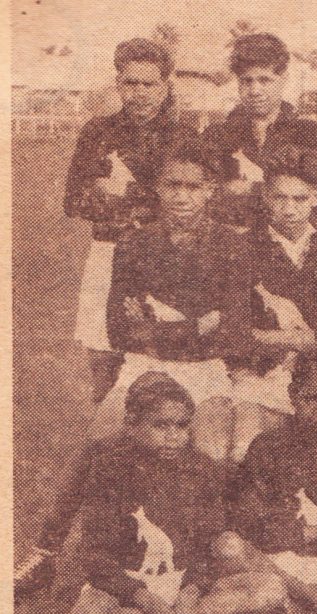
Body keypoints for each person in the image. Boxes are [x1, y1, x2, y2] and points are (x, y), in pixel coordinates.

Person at [68, 374, 288, 614]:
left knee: (270, 587)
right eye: (161, 425)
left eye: (182, 426)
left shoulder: (200, 470)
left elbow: (208, 544)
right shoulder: (110, 472)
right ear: (132, 425)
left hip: (181, 582)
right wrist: (147, 602)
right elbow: (94, 554)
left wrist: (189, 593)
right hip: (128, 589)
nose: (173, 436)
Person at [94, 138, 250, 460]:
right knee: (101, 440)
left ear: (210, 190)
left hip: (205, 368)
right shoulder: (133, 243)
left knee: (213, 452)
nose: (181, 196)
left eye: (192, 187)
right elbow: (118, 329)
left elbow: (232, 330)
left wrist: (154, 326)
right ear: (158, 187)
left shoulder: (232, 244)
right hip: (145, 364)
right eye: (172, 185)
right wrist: (194, 328)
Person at [64, 38, 194, 403]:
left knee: (158, 354)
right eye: (130, 83)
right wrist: (143, 198)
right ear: (118, 83)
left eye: (149, 83)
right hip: (107, 253)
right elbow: (73, 202)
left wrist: (124, 191)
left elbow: (186, 204)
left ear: (166, 85)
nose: (139, 93)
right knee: (103, 357)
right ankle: (108, 445)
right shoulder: (98, 131)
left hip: (164, 254)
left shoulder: (182, 136)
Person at [229, 145, 317, 461]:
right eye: (280, 198)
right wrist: (288, 338)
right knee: (244, 452)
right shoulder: (243, 246)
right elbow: (232, 328)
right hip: (264, 375)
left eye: (300, 199)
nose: (289, 209)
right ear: (265, 196)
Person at [223, 354, 317, 614]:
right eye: (312, 399)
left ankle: (299, 596)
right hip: (280, 555)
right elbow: (248, 519)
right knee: (231, 546)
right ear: (293, 394)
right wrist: (312, 533)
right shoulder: (267, 446)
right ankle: (311, 596)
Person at [202, 33, 317, 226]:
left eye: (265, 80)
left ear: (283, 79)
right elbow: (205, 194)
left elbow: (312, 193)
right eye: (246, 81)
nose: (254, 91)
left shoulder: (306, 132)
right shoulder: (216, 134)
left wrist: (246, 188)